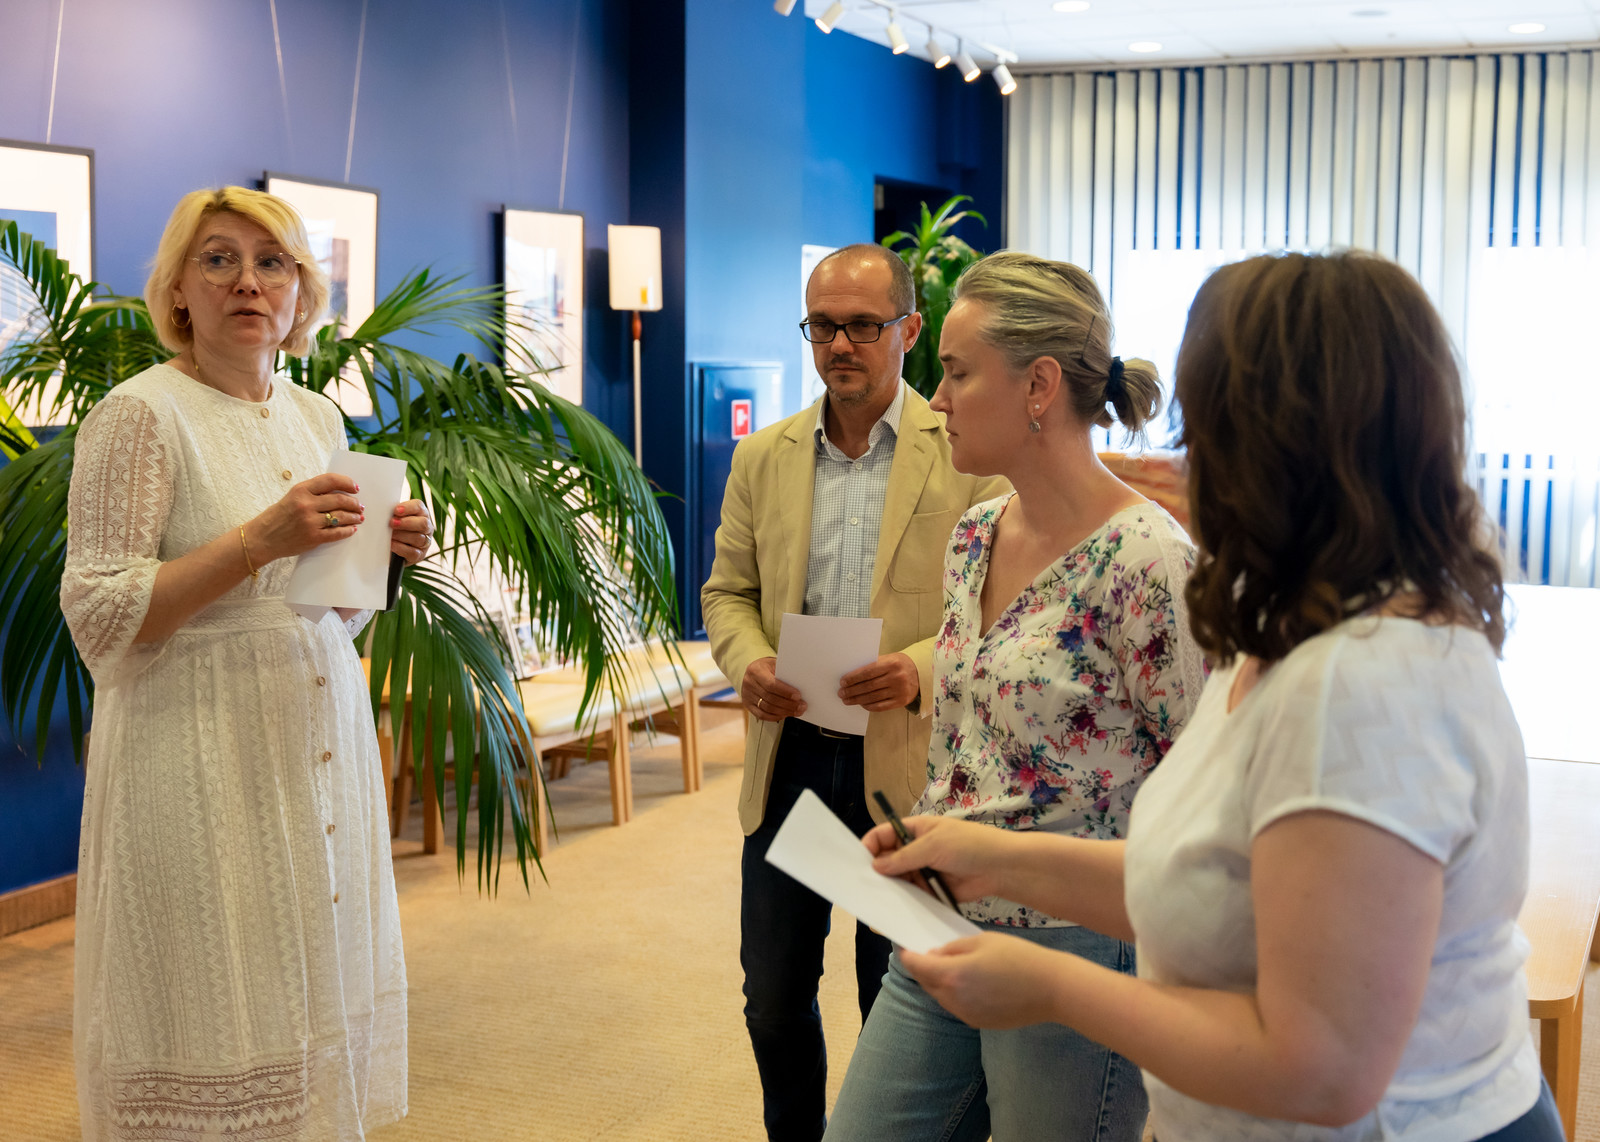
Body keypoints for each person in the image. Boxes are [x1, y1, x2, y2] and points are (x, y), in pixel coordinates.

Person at [865, 251, 1562, 1141]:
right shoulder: (1286, 623)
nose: (1186, 456)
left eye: (1207, 424)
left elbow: (1320, 1067)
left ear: (1285, 445)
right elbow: (1210, 877)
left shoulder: (1366, 681)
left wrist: (1049, 985)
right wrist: (992, 857)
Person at [63, 186, 433, 1141]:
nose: (248, 282)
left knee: (303, 992)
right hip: (193, 751)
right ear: (178, 290)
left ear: (301, 292)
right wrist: (258, 541)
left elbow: (322, 611)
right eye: (218, 259)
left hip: (314, 740)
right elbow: (101, 615)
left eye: (273, 263)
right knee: (213, 1001)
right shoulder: (139, 415)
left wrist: (383, 561)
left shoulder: (317, 417)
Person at [824, 251, 1206, 1142]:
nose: (937, 399)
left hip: (1078, 943)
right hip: (939, 919)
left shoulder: (1148, 563)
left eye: (957, 373)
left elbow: (1202, 794)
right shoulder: (975, 534)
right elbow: (962, 737)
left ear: (1039, 386)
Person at [700, 243, 1007, 1142]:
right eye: (823, 326)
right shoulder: (764, 457)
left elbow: (1001, 610)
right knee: (773, 999)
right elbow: (727, 594)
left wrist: (920, 667)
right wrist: (748, 661)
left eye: (864, 326)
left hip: (905, 769)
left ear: (909, 330)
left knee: (895, 999)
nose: (840, 345)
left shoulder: (969, 458)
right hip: (791, 762)